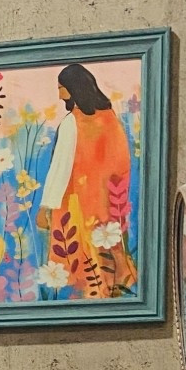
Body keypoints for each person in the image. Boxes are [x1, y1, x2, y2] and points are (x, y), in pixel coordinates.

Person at [36, 63, 137, 296]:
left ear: (73, 89)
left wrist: (46, 207)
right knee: (108, 258)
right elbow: (122, 162)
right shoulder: (111, 119)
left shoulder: (72, 123)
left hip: (77, 205)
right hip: (107, 205)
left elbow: (60, 170)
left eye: (61, 87)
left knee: (84, 263)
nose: (59, 93)